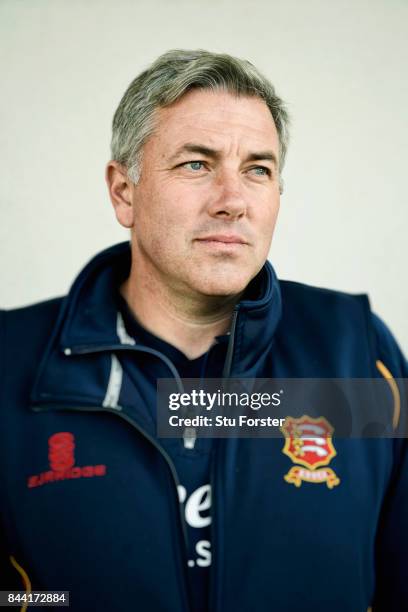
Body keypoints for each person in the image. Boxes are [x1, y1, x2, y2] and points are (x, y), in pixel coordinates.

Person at [0, 49, 407, 612]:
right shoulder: (11, 363)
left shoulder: (356, 354)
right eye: (197, 164)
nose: (232, 201)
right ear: (124, 192)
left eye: (258, 170)